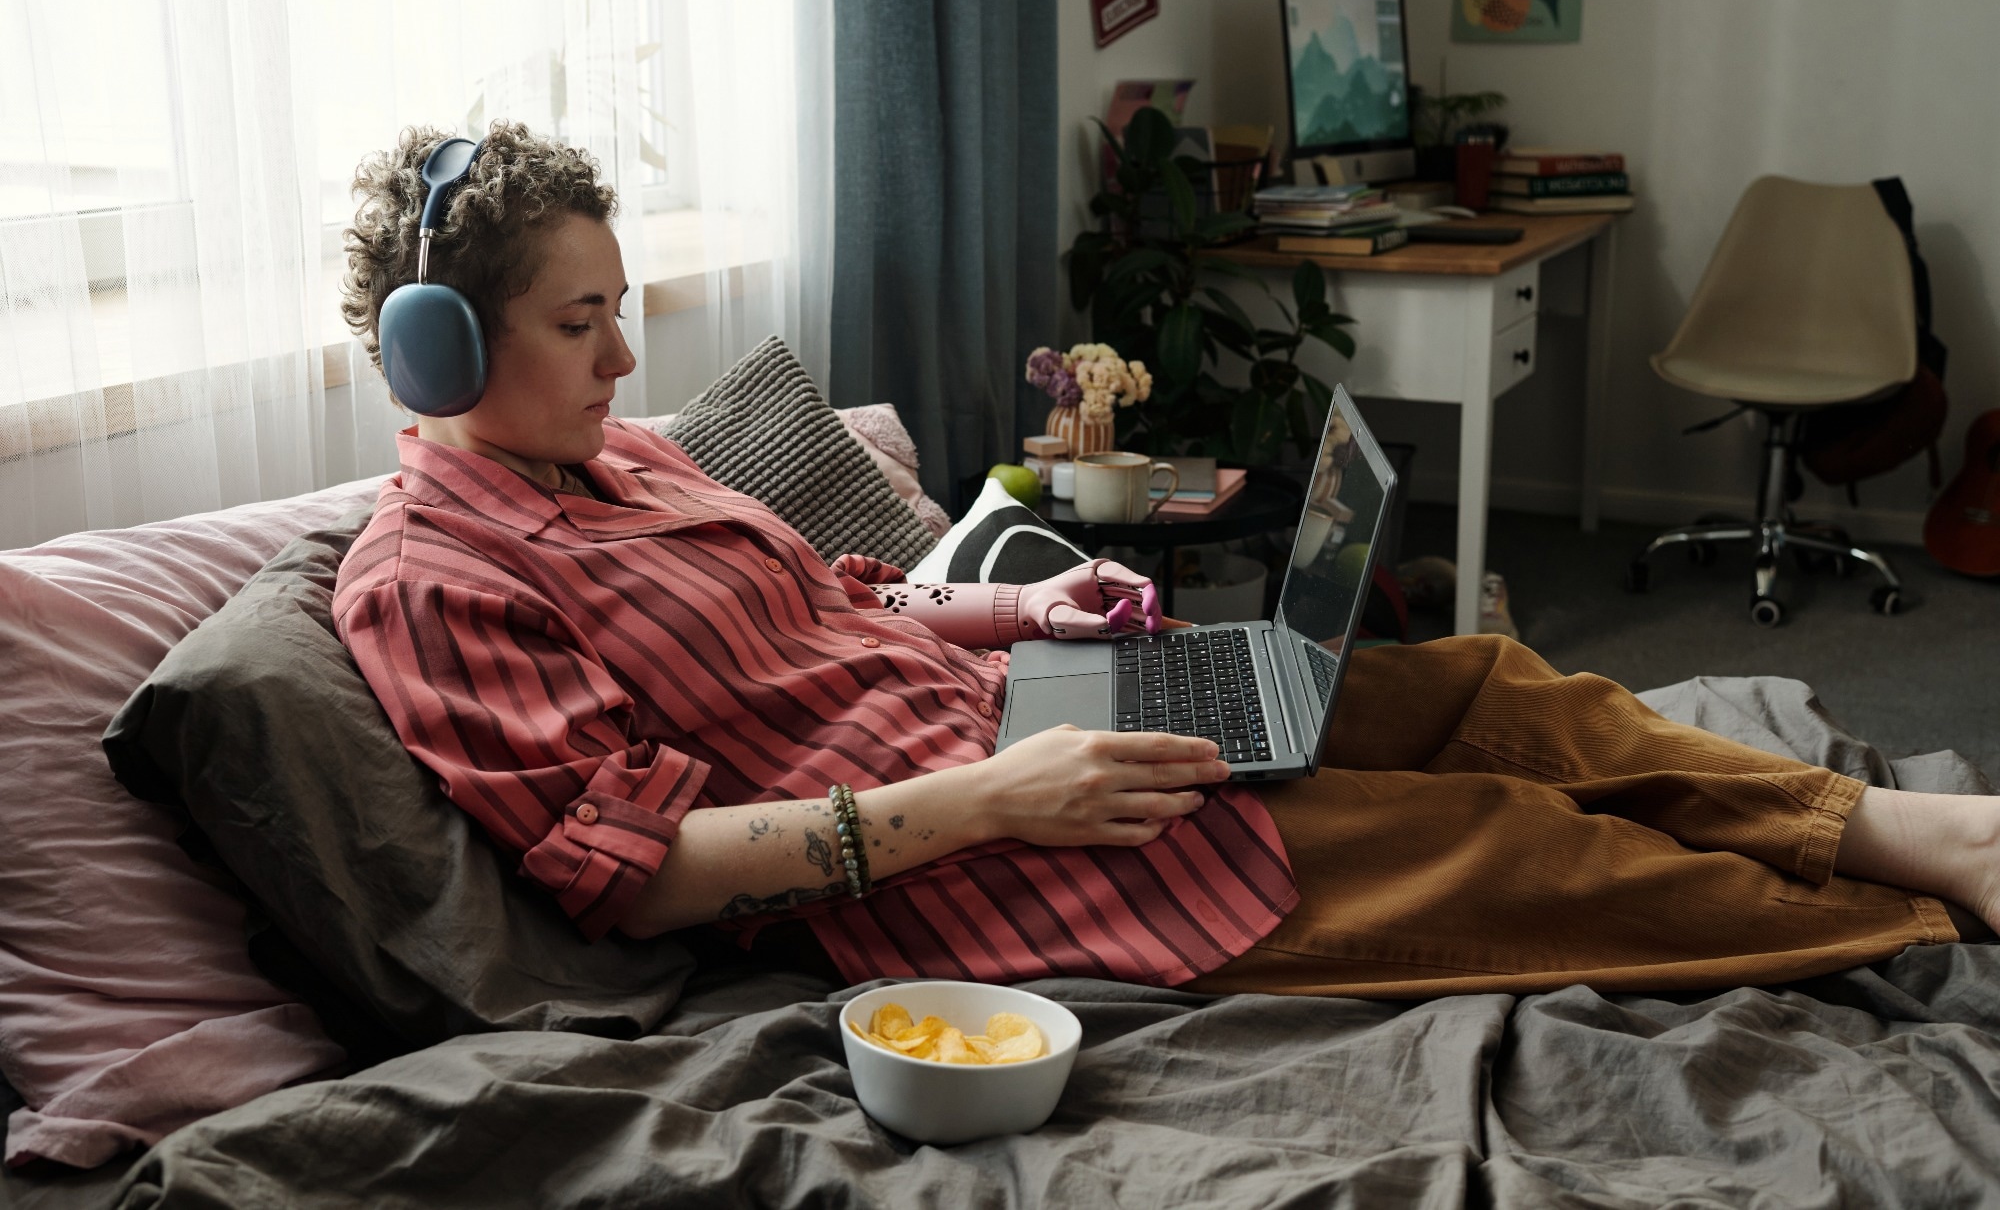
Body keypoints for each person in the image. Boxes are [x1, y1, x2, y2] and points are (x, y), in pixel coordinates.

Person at [334, 123, 1997, 1000]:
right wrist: (995, 797)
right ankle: (1916, 931)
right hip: (990, 859)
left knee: (1487, 686)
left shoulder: (618, 455)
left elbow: (845, 597)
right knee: (1513, 844)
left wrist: (1016, 602)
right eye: (580, 323)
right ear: (437, 357)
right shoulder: (431, 581)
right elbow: (637, 866)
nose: (625, 359)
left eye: (621, 308)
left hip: (1035, 717)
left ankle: (1924, 834)